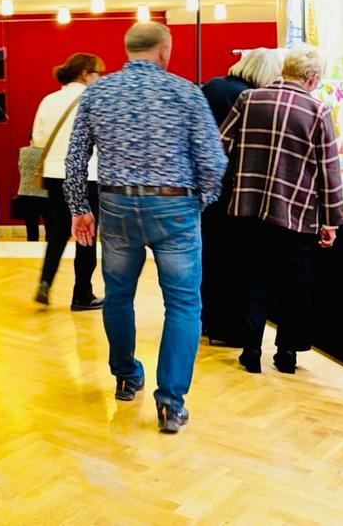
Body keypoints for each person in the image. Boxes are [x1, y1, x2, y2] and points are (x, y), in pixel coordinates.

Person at [65, 22, 226, 434]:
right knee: (184, 304)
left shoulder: (98, 92)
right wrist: (199, 201)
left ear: (128, 50)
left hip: (117, 204)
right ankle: (171, 403)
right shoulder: (186, 91)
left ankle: (125, 376)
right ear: (164, 50)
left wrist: (80, 207)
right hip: (174, 205)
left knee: (118, 296)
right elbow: (213, 161)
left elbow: (75, 157)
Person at [219, 44, 342, 375]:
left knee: (252, 278)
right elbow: (328, 171)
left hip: (248, 208)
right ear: (313, 78)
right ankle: (286, 353)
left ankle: (250, 350)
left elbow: (221, 148)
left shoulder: (248, 100)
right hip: (296, 213)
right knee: (294, 284)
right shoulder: (318, 111)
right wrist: (331, 220)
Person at [198, 48, 284, 346]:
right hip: (233, 190)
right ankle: (226, 328)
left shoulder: (212, 86)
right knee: (233, 262)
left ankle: (208, 321)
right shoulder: (247, 98)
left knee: (209, 258)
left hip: (205, 189)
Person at [31, 53, 104, 310]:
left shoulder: (48, 100)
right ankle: (82, 294)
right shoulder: (93, 99)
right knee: (86, 235)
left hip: (54, 174)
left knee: (58, 234)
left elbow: (38, 140)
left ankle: (45, 282)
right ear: (85, 73)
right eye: (98, 73)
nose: (100, 78)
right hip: (87, 176)